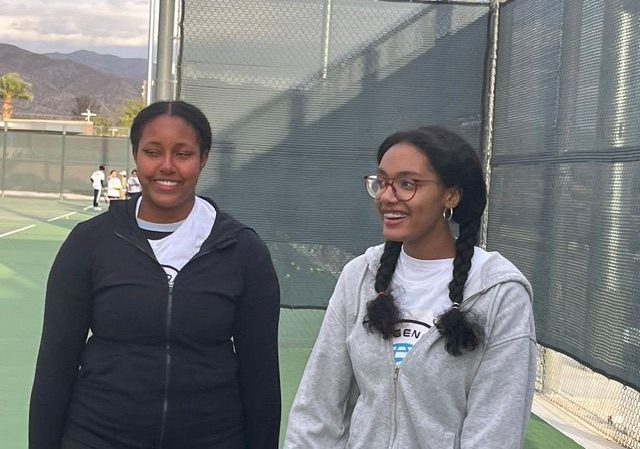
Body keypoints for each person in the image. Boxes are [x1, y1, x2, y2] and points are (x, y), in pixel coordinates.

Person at [30, 100, 281, 449]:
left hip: (213, 437)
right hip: (96, 436)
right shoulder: (89, 243)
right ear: (135, 155)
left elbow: (261, 377)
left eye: (183, 154)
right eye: (152, 152)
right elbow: (55, 366)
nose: (167, 166)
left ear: (203, 158)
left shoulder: (243, 251)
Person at [284, 126, 536, 448]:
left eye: (407, 184)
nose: (387, 197)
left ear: (451, 195)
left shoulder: (499, 293)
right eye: (382, 182)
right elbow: (318, 404)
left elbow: (495, 430)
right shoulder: (360, 276)